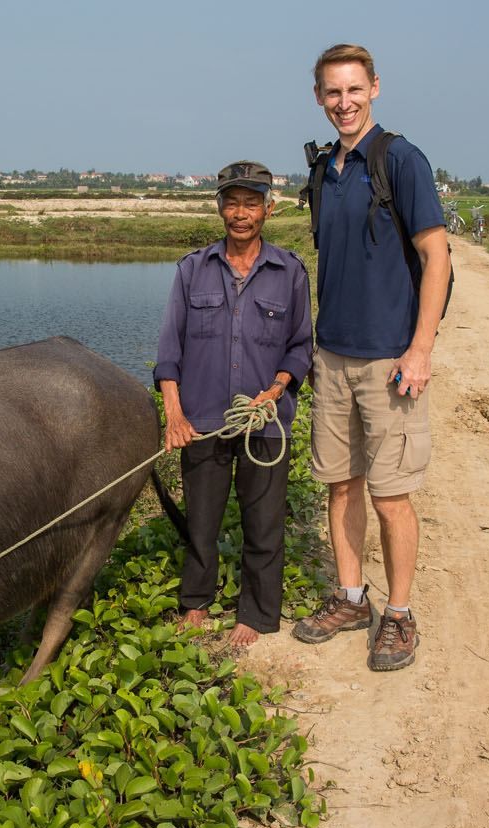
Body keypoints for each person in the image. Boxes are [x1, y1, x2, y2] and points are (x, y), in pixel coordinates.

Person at [290, 44, 450, 672]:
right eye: (333, 92)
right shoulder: (323, 170)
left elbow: (436, 257)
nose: (344, 102)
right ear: (319, 98)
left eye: (354, 90)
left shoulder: (401, 161)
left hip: (389, 361)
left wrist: (420, 348)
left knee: (391, 496)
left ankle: (400, 614)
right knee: (340, 484)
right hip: (332, 357)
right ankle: (353, 597)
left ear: (375, 88)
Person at [154, 161, 313, 647]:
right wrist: (174, 415)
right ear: (220, 207)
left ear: (269, 208)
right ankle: (196, 602)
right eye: (232, 202)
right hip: (203, 422)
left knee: (263, 525)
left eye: (251, 203)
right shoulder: (191, 269)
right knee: (201, 520)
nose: (241, 213)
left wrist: (278, 386)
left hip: (264, 423)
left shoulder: (289, 273)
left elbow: (301, 345)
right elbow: (169, 352)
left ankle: (257, 613)